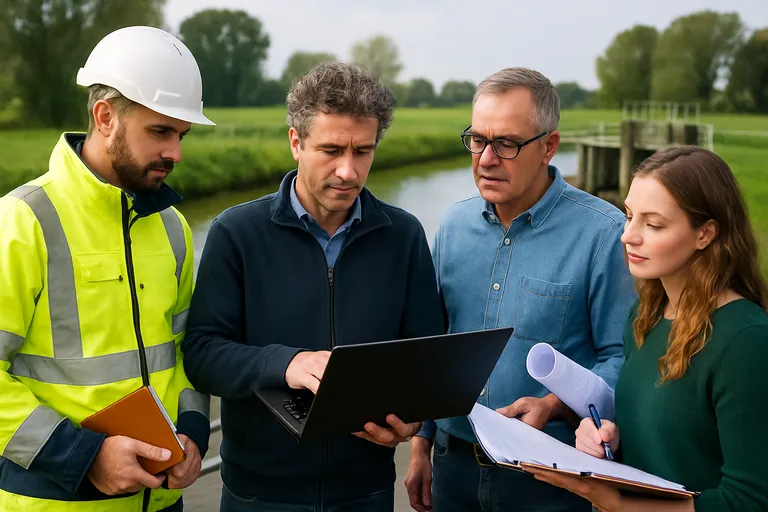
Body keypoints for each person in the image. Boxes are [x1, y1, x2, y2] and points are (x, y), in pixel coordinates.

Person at [181, 61, 444, 512]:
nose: (348, 171)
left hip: (367, 492)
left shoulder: (404, 235)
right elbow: (203, 354)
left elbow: (427, 353)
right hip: (258, 495)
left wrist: (415, 423)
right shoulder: (235, 232)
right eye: (331, 150)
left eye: (363, 151)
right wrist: (288, 363)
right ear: (295, 143)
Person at [0, 26, 213, 512]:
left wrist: (194, 433)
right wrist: (84, 456)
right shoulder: (23, 221)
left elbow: (185, 353)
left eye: (181, 135)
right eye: (160, 131)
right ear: (104, 118)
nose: (176, 153)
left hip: (161, 504)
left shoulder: (173, 228)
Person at [405, 67, 636, 511]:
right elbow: (436, 343)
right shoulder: (452, 225)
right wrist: (421, 444)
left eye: (506, 144)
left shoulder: (604, 233)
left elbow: (621, 357)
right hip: (453, 469)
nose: (486, 159)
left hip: (550, 478)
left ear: (549, 146)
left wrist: (551, 405)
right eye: (477, 139)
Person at [526, 146, 768, 511]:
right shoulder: (646, 314)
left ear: (706, 234)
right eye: (629, 216)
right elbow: (668, 444)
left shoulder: (747, 341)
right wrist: (609, 439)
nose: (628, 236)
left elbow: (749, 500)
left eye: (653, 224)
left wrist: (620, 505)